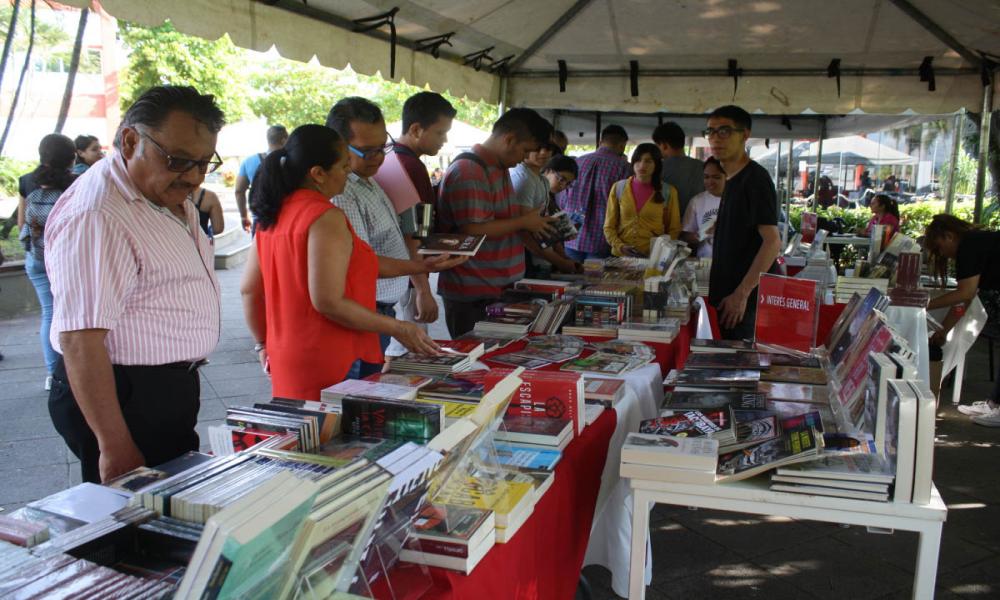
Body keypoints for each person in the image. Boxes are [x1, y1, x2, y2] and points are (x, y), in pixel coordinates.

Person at [45, 85, 225, 483]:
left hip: (161, 388)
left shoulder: (161, 193)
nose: (193, 177)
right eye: (179, 160)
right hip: (125, 394)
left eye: (203, 163)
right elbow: (80, 338)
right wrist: (114, 444)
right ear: (130, 141)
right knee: (133, 524)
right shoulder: (99, 215)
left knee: (171, 509)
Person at [240, 125, 442, 401]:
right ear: (318, 174)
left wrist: (262, 343)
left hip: (288, 351)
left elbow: (249, 290)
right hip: (332, 352)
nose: (349, 174)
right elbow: (328, 301)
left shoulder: (271, 214)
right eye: (344, 167)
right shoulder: (324, 216)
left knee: (306, 436)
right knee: (336, 435)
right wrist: (399, 328)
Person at [327, 97, 466, 378]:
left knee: (369, 385)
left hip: (380, 310)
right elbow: (362, 262)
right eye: (368, 151)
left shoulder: (371, 179)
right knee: (353, 394)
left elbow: (408, 232)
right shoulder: (343, 192)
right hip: (364, 313)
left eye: (383, 147)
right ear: (339, 148)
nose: (379, 157)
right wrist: (423, 273)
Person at [436, 107, 556, 337]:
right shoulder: (470, 170)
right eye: (525, 150)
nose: (524, 158)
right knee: (475, 365)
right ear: (509, 139)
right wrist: (524, 221)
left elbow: (502, 220)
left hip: (495, 289)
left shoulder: (499, 168)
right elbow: (473, 229)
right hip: (473, 292)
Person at [374, 91, 457, 362]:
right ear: (416, 129)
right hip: (407, 275)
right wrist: (423, 290)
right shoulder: (409, 166)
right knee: (410, 349)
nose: (444, 141)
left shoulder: (390, 158)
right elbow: (415, 233)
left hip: (396, 271)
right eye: (440, 133)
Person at [705, 105, 782, 341]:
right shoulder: (732, 178)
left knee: (738, 372)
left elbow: (772, 241)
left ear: (745, 135)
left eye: (725, 131)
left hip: (743, 304)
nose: (716, 138)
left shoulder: (754, 179)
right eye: (710, 132)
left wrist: (742, 293)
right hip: (728, 296)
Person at [923, 214, 1000, 425]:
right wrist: (943, 329)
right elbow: (965, 300)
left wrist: (924, 304)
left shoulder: (968, 247)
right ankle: (995, 403)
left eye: (938, 247)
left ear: (948, 236)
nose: (942, 254)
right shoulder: (976, 242)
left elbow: (965, 293)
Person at [19, 134, 77, 390]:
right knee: (74, 314)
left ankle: (54, 375)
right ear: (72, 157)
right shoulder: (76, 183)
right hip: (66, 257)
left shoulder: (27, 181)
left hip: (37, 257)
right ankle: (76, 368)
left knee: (49, 313)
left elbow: (23, 224)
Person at [557, 124, 631, 261]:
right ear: (622, 145)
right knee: (595, 281)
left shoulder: (577, 162)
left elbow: (562, 200)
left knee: (569, 278)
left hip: (571, 235)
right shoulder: (624, 168)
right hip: (602, 240)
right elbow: (626, 207)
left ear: (600, 142)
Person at [510, 141, 579, 275]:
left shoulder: (541, 182)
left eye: (568, 183)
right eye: (561, 179)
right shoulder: (522, 178)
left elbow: (542, 227)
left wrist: (563, 257)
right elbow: (524, 232)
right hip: (525, 259)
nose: (543, 153)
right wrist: (561, 262)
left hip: (538, 260)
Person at [603, 143, 681, 257]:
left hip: (653, 257)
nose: (642, 165)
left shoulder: (668, 191)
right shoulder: (619, 187)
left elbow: (674, 228)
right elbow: (609, 226)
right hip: (621, 257)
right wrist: (620, 246)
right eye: (638, 160)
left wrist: (661, 251)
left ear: (657, 165)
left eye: (648, 161)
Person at [235, 124, 288, 232]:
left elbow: (239, 191)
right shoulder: (290, 161)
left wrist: (244, 216)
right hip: (287, 220)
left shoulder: (248, 161)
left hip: (260, 221)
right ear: (284, 140)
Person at [652, 121, 704, 218]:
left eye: (657, 146)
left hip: (667, 226)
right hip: (698, 225)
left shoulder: (657, 168)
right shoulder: (703, 166)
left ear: (664, 145)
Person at [681, 157, 725, 258]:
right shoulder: (697, 201)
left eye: (716, 177)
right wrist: (701, 234)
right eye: (706, 177)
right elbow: (686, 235)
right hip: (705, 262)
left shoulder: (739, 200)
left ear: (727, 176)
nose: (710, 181)